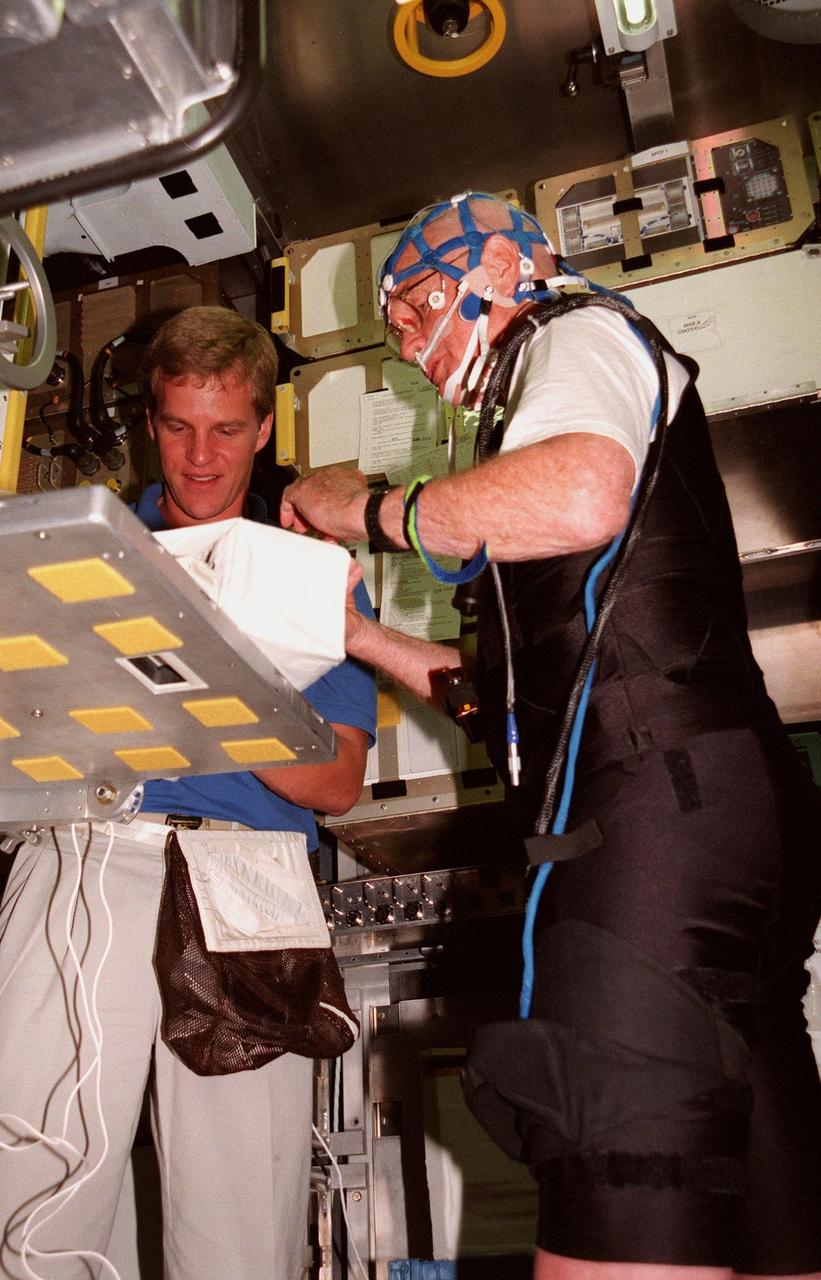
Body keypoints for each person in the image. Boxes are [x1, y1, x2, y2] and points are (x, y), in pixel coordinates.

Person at [280, 193, 821, 1280]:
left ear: (494, 267)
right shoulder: (552, 397)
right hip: (715, 802)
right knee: (766, 1217)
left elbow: (581, 492)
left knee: (620, 1207)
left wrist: (375, 508)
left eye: (419, 308)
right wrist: (352, 633)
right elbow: (504, 697)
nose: (412, 350)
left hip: (651, 816)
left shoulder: (564, 333)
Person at [0, 306, 376, 1280]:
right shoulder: (90, 549)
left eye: (224, 428)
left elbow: (335, 779)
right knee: (28, 1184)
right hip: (83, 848)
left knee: (239, 1217)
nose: (199, 455)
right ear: (150, 422)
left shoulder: (310, 571)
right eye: (177, 425)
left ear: (263, 426)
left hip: (246, 879)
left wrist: (213, 685)